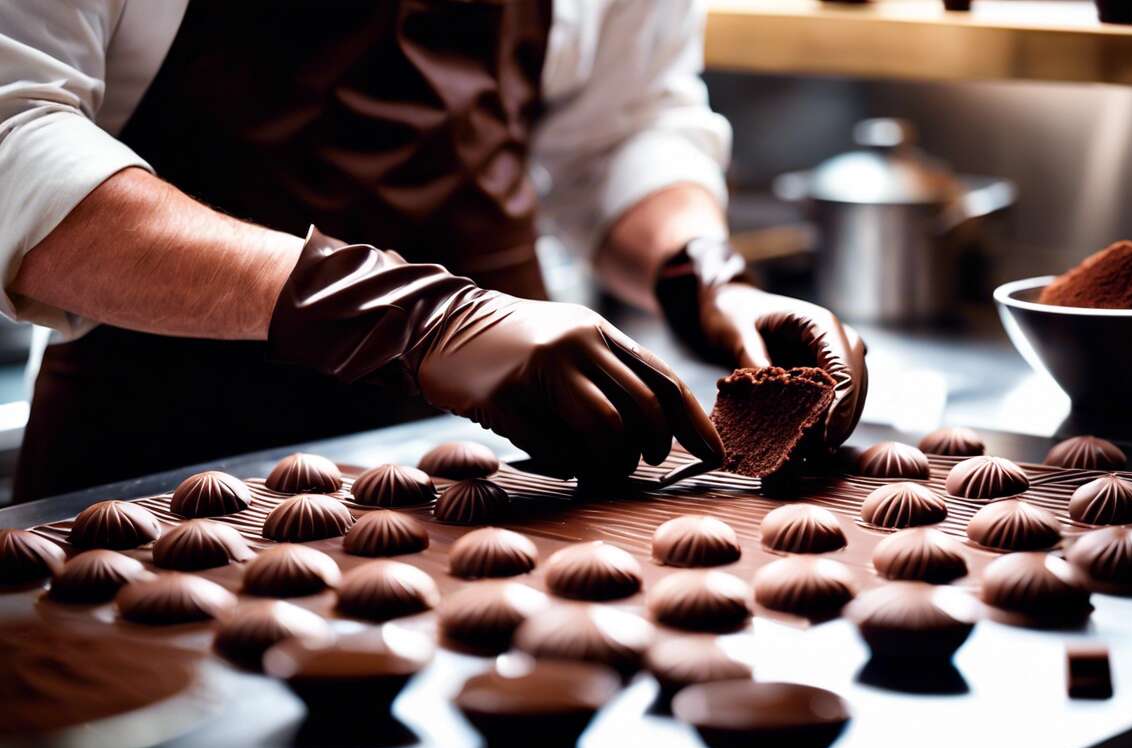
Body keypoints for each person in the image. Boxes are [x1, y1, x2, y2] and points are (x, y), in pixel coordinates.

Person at [0, 0, 867, 500]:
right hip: (163, 464)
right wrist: (411, 319)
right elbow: (16, 135)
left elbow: (622, 128)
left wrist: (702, 276)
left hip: (523, 460)